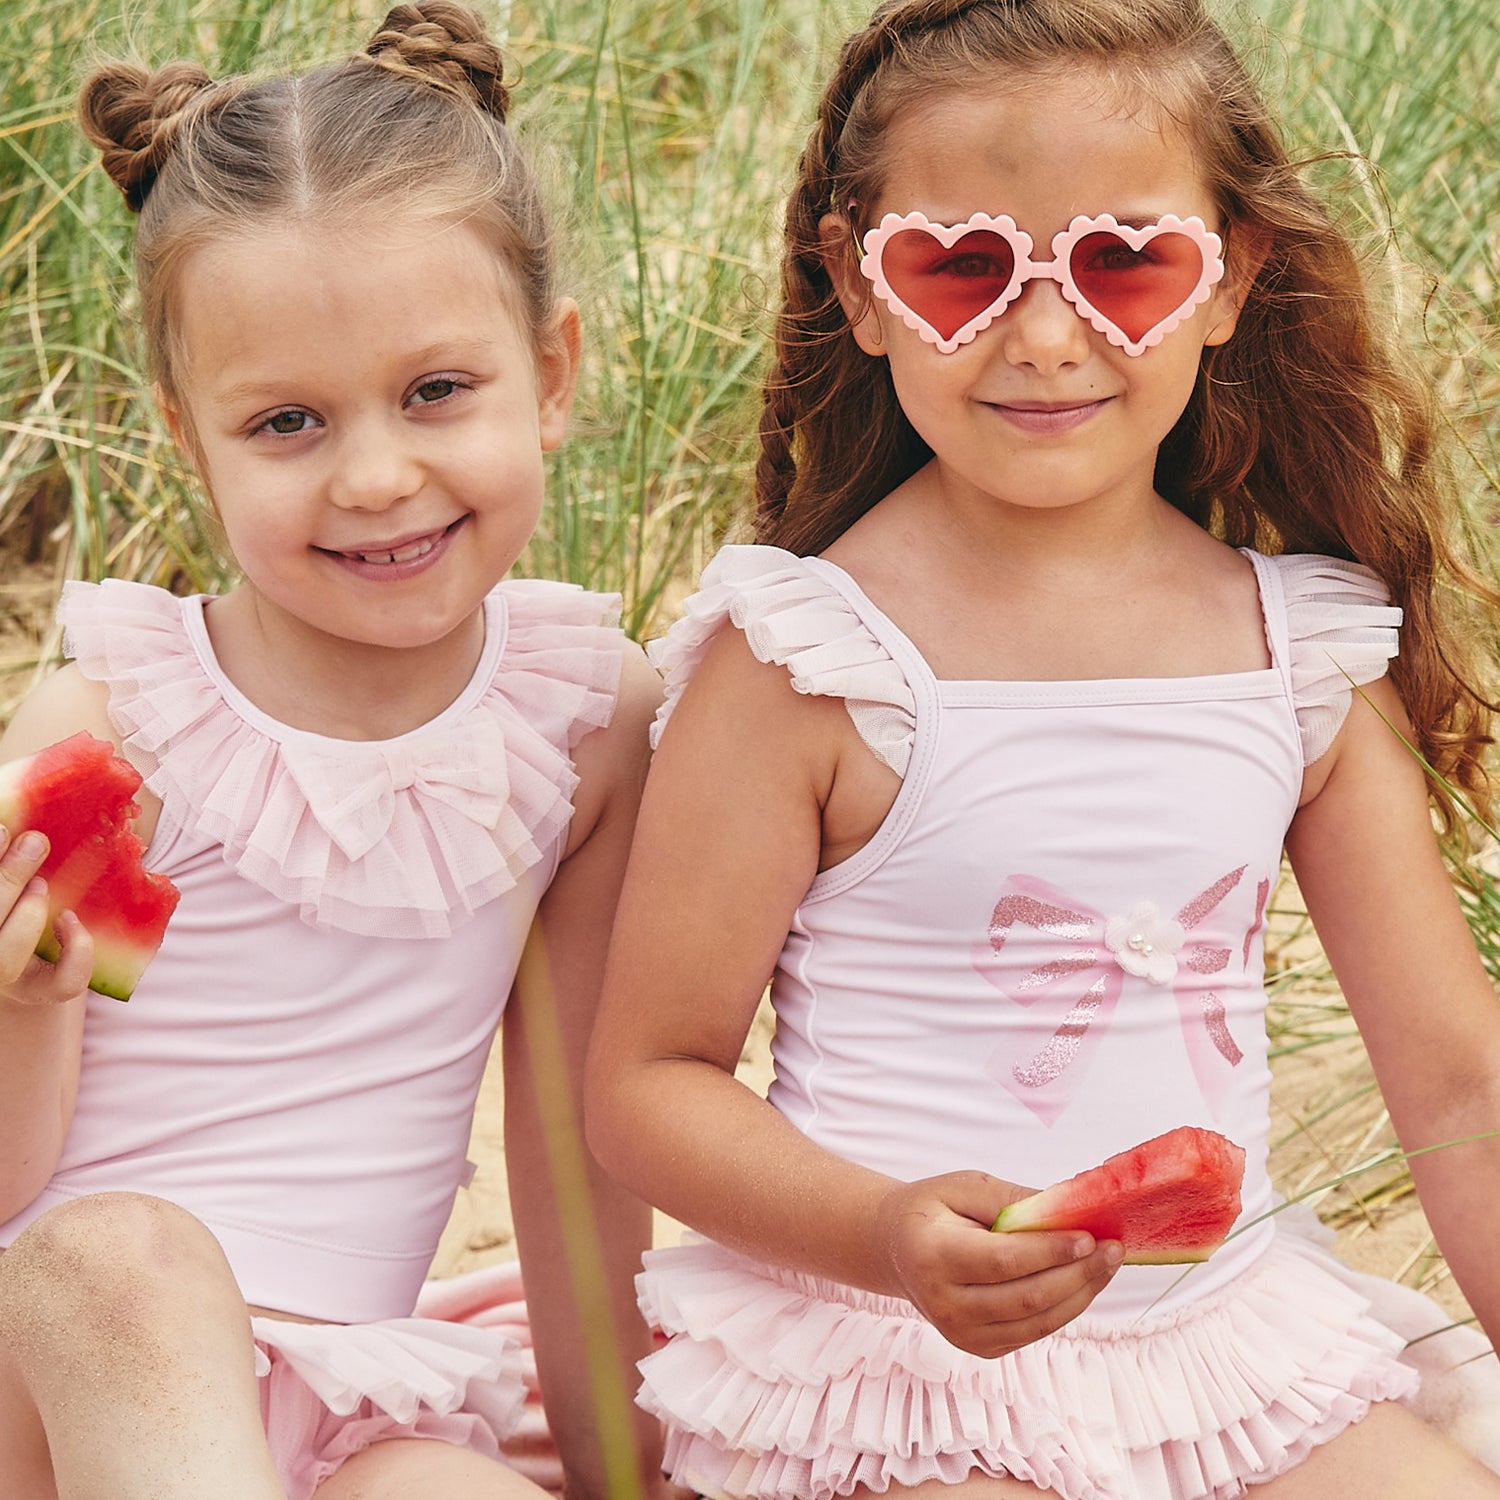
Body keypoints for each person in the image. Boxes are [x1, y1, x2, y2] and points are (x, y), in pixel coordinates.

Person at [584, 0, 1500, 1495]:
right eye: (960, 268)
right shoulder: (812, 659)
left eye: (1126, 265)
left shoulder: (1300, 655)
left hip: (1225, 1345)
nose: (1048, 336)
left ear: (1229, 278)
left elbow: (1461, 1087)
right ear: (859, 285)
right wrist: (883, 1232)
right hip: (890, 1370)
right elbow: (648, 1080)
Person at [0, 4, 665, 1498]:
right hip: (68, 1386)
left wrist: (632, 1474)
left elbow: (573, 1158)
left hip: (352, 1399)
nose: (377, 475)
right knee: (127, 1256)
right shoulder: (116, 732)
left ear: (550, 375)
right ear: (190, 439)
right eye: (288, 422)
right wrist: (30, 1004)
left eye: (438, 391)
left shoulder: (587, 723)